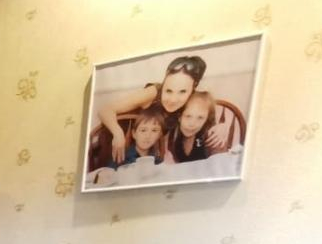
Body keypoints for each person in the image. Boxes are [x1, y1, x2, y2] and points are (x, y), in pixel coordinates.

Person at [96, 53, 229, 164]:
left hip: (147, 151)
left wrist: (223, 126)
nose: (173, 99)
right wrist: (118, 133)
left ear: (192, 89)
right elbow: (105, 110)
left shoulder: (192, 99)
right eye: (168, 91)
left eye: (182, 92)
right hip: (117, 143)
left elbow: (205, 116)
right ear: (164, 83)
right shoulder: (152, 93)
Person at [168, 91, 215, 163]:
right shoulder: (172, 134)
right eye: (188, 116)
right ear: (179, 116)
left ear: (206, 119)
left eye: (200, 118)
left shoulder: (208, 135)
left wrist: (222, 127)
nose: (192, 124)